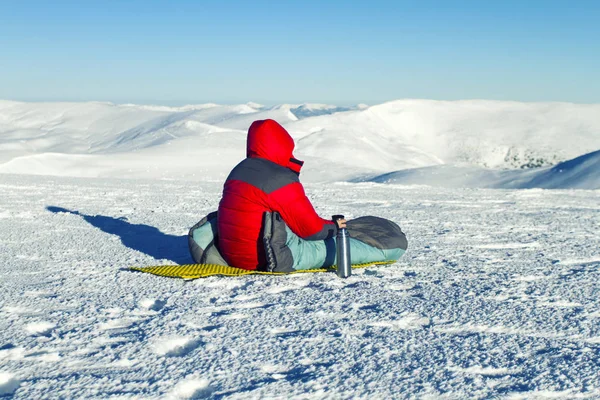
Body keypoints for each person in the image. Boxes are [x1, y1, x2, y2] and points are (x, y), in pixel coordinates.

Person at [217, 119, 346, 270]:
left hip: (233, 257)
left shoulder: (238, 169)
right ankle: (381, 251)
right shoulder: (279, 177)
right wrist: (335, 227)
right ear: (282, 146)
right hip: (266, 258)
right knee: (342, 245)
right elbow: (311, 230)